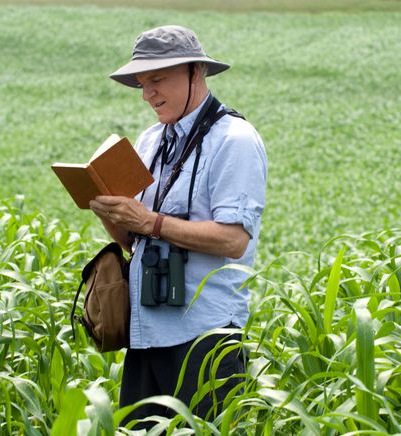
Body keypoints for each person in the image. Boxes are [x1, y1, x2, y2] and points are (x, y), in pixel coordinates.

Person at [88, 25, 267, 424]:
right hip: (146, 332)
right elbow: (135, 241)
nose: (148, 93)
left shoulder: (234, 139)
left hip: (206, 337)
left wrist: (150, 221)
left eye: (158, 79)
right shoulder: (151, 140)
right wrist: (109, 212)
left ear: (196, 73)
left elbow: (234, 239)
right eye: (141, 83)